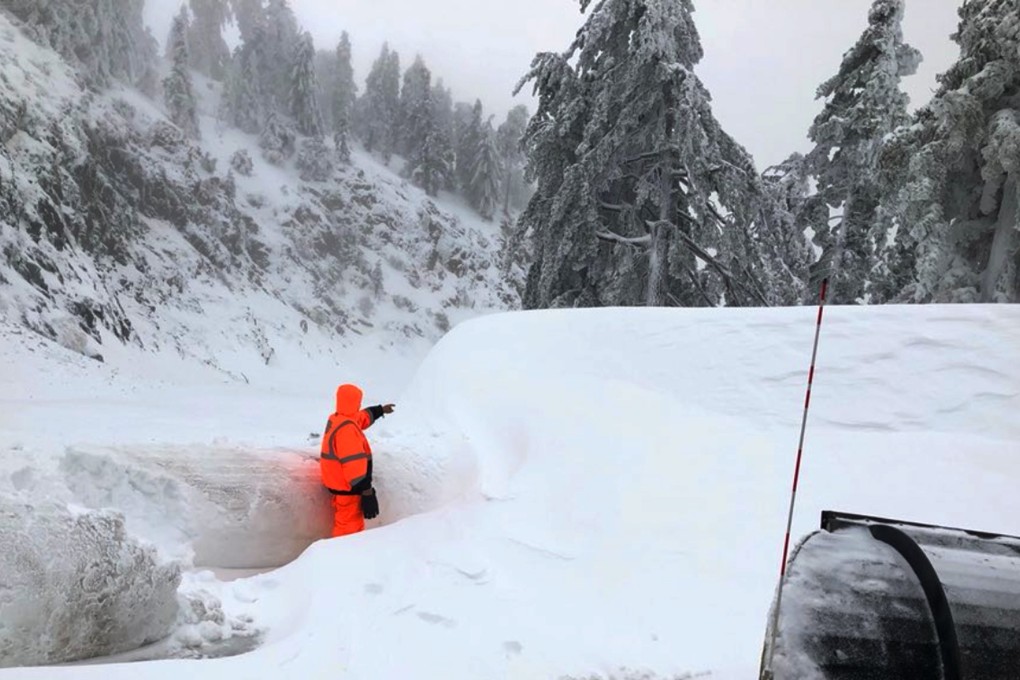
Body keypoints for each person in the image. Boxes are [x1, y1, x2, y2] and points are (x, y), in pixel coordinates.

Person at [319, 383, 395, 537]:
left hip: (340, 484)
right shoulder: (347, 430)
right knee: (349, 527)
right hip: (348, 488)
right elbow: (354, 465)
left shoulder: (339, 418)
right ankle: (343, 556)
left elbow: (361, 418)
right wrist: (366, 492)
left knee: (347, 523)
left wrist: (380, 410)